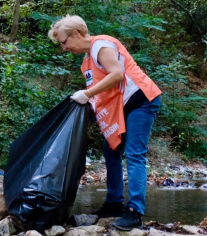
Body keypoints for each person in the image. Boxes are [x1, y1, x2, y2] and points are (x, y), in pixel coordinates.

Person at [48, 15, 162, 231]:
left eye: (64, 42)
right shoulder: (86, 62)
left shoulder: (101, 45)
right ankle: (113, 204)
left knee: (135, 153)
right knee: (111, 150)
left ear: (76, 34)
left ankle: (134, 212)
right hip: (121, 105)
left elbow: (117, 74)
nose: (63, 48)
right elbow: (99, 95)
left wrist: (87, 92)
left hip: (141, 100)